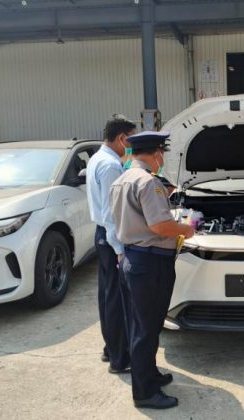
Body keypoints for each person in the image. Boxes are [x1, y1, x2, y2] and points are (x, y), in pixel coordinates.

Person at [110, 131, 195, 410]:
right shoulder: (149, 182)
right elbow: (160, 226)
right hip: (150, 263)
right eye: (162, 154)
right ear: (157, 152)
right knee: (146, 329)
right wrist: (186, 229)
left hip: (133, 258)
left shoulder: (122, 179)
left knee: (141, 325)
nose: (163, 159)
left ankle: (149, 374)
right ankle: (145, 393)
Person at [86, 114, 136, 374]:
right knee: (117, 300)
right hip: (110, 237)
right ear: (122, 138)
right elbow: (111, 214)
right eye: (132, 140)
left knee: (107, 296)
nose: (132, 146)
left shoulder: (98, 158)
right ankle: (120, 359)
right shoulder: (111, 166)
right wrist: (119, 250)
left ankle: (110, 349)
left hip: (102, 235)